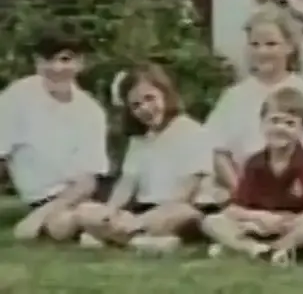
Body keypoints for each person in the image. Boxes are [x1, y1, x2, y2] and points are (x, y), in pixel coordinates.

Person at [73, 64, 217, 254]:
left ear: (165, 94)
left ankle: (121, 237)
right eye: (136, 105)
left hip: (177, 209)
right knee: (85, 210)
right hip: (143, 209)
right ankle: (140, 240)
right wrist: (110, 211)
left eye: (150, 98)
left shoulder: (192, 132)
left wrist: (141, 220)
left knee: (178, 214)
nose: (145, 108)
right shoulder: (139, 140)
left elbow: (186, 192)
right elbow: (127, 183)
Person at [204, 7, 303, 200]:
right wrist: (241, 191)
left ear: (290, 46)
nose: (262, 52)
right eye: (255, 44)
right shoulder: (234, 96)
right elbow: (218, 152)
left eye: (271, 44)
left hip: (294, 198)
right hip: (243, 194)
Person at [0, 27, 108, 242]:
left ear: (80, 63)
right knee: (64, 223)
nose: (56, 68)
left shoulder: (90, 110)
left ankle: (110, 231)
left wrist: (39, 217)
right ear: (37, 62)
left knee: (76, 216)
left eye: (65, 59)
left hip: (83, 193)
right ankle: (97, 231)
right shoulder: (17, 97)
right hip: (44, 196)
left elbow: (88, 181)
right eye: (47, 60)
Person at [201, 87, 303, 264]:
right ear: (263, 124)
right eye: (274, 121)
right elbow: (236, 208)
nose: (280, 128)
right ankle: (256, 250)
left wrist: (284, 221)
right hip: (258, 225)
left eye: (289, 124)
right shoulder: (255, 163)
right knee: (212, 222)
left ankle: (275, 249)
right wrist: (260, 218)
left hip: (290, 226)